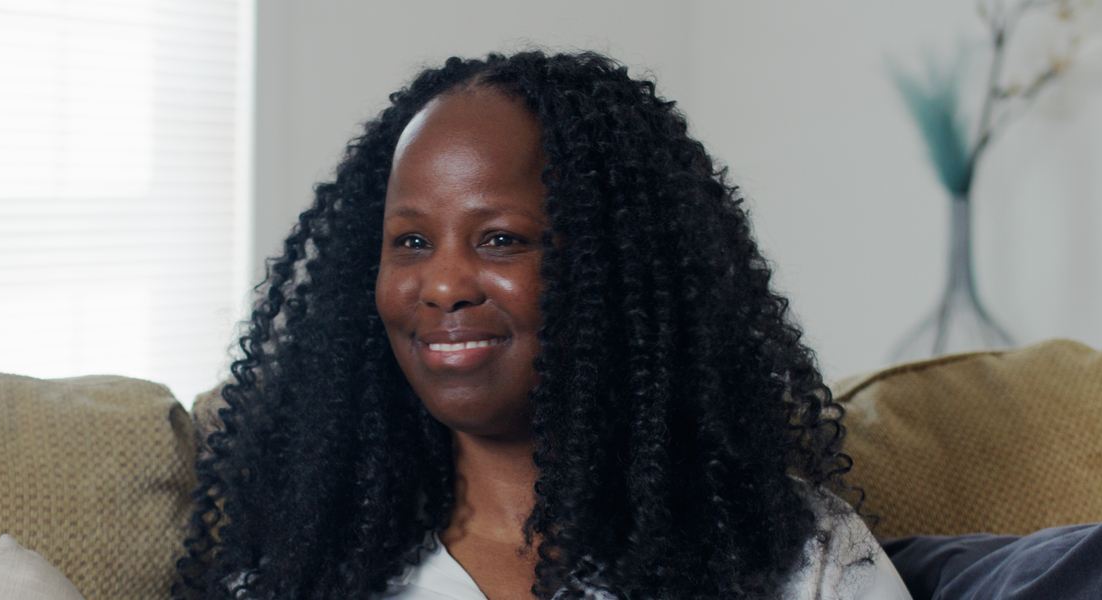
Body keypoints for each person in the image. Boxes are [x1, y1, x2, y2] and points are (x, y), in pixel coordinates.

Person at [176, 51, 911, 600]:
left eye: (500, 239)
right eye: (410, 242)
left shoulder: (795, 556)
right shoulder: (300, 568)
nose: (441, 285)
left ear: (614, 269)